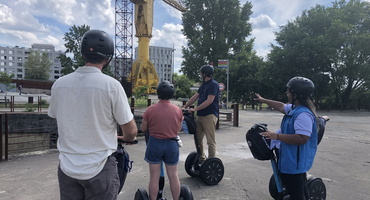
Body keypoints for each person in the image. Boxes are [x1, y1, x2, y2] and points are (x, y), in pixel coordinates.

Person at [48, 29, 137, 200]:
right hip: (100, 166)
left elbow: (56, 115)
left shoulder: (59, 84)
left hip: (67, 167)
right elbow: (131, 132)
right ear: (108, 58)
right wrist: (122, 137)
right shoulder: (111, 85)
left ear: (83, 54)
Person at [254, 76, 318, 200]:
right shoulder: (295, 109)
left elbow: (302, 138)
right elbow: (281, 107)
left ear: (295, 94)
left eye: (289, 91)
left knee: (297, 195)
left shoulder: (303, 114)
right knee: (300, 190)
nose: (287, 93)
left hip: (295, 163)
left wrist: (276, 136)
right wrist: (264, 100)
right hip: (290, 160)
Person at [140, 81, 183, 200]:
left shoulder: (150, 109)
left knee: (154, 176)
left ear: (158, 93)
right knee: (173, 176)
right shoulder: (177, 110)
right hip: (171, 144)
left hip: (155, 143)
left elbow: (143, 128)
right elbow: (178, 128)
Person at [182, 65, 219, 163]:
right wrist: (184, 107)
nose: (200, 75)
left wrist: (196, 109)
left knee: (210, 140)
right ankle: (201, 158)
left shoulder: (213, 84)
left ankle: (212, 160)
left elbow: (210, 100)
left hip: (209, 115)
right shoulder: (203, 85)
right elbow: (195, 96)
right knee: (198, 138)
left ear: (205, 74)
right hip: (200, 116)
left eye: (201, 73)